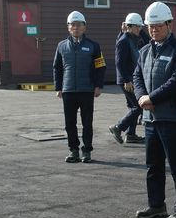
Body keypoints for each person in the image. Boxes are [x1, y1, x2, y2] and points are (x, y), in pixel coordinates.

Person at [132, 2, 176, 218]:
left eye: (158, 26)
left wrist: (152, 98)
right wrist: (141, 97)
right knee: (153, 166)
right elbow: (137, 76)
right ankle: (156, 205)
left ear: (169, 24)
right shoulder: (145, 51)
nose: (154, 30)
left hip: (171, 117)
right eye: (150, 26)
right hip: (150, 119)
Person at [53, 11, 106, 163]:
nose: (76, 27)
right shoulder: (62, 46)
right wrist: (58, 87)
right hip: (68, 90)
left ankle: (87, 151)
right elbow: (57, 67)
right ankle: (74, 150)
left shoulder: (93, 46)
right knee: (70, 123)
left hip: (86, 90)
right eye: (73, 25)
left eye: (79, 25)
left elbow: (100, 67)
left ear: (84, 27)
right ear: (68, 27)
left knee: (87, 122)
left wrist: (98, 86)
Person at [108, 13, 145, 145]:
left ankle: (131, 135)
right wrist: (126, 80)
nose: (139, 29)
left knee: (133, 107)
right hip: (127, 80)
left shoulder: (133, 38)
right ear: (130, 27)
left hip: (131, 78)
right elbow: (119, 62)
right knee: (138, 106)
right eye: (137, 27)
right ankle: (118, 127)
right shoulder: (124, 41)